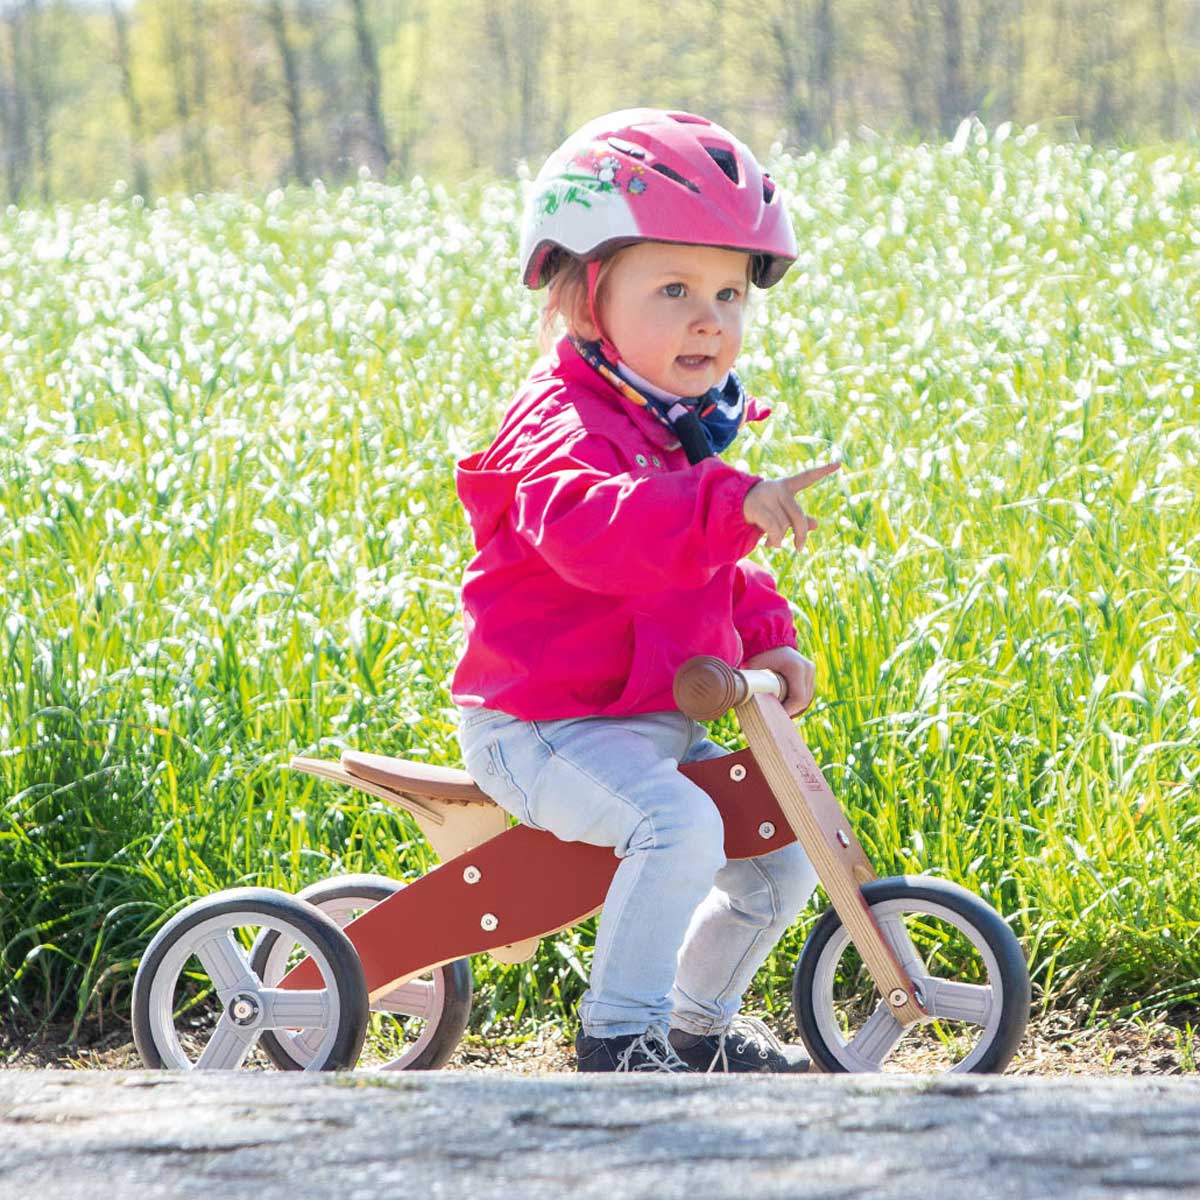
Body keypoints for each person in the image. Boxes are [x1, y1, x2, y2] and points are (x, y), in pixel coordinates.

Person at [452, 108, 840, 1073]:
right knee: (680, 825)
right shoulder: (558, 428)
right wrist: (729, 502)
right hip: (545, 727)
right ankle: (617, 1035)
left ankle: (696, 1025)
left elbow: (702, 567)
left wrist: (764, 637)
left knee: (777, 843)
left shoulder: (671, 424)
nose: (711, 317)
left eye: (728, 291)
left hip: (642, 718)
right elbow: (603, 536)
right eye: (673, 288)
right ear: (587, 298)